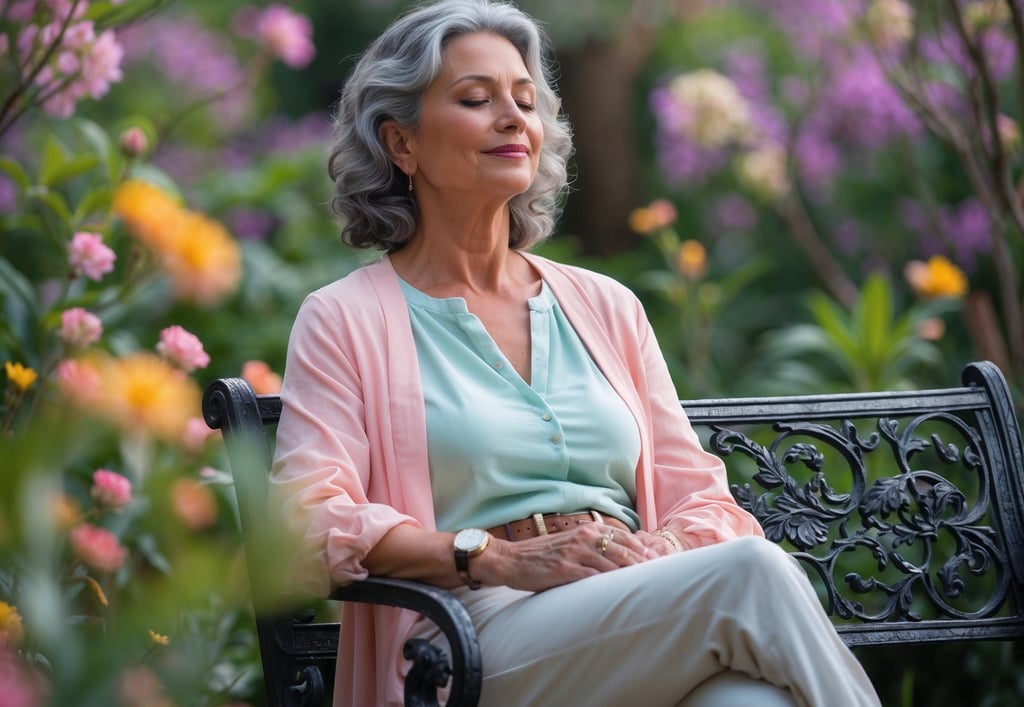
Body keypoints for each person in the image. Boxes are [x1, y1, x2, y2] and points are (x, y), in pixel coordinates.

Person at [270, 1, 883, 705]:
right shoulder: (345, 319)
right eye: (476, 99)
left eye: (524, 100)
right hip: (467, 636)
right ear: (401, 143)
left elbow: (701, 497)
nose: (513, 118)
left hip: (636, 603)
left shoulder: (606, 306)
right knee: (751, 572)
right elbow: (309, 521)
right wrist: (494, 556)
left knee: (753, 703)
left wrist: (666, 550)